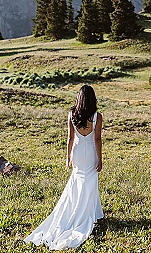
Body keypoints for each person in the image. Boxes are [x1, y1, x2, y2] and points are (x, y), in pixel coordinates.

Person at [24, 84, 103, 250]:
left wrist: (68, 157)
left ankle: (90, 212)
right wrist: (100, 158)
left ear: (79, 99)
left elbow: (70, 138)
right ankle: (89, 215)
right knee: (90, 181)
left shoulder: (72, 115)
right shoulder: (97, 116)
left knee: (77, 180)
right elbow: (97, 140)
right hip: (90, 152)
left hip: (77, 152)